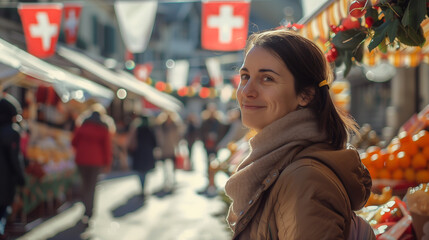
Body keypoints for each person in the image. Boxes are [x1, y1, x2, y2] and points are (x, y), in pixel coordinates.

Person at [224, 29, 374, 239]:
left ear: (306, 95)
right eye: (245, 76)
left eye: (267, 78)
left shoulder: (305, 180)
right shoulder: (279, 163)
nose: (247, 91)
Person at [71, 103, 113, 227]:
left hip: (82, 159)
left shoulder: (82, 125)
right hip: (96, 161)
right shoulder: (104, 127)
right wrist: (107, 163)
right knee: (92, 186)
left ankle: (86, 207)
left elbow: (74, 142)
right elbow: (107, 148)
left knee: (85, 184)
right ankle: (89, 211)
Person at [0, 95, 26, 238]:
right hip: (5, 178)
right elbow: (15, 159)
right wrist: (21, 178)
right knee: (3, 208)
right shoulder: (12, 131)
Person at [127, 114, 157, 199]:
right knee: (145, 173)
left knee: (140, 173)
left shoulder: (137, 129)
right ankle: (144, 188)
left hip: (138, 154)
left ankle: (142, 188)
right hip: (147, 155)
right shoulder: (150, 130)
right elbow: (155, 143)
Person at [155, 111, 182, 193]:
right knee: (164, 166)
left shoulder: (174, 125)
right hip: (164, 148)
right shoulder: (162, 126)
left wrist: (177, 146)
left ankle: (173, 179)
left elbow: (177, 136)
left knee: (173, 165)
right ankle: (166, 179)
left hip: (172, 148)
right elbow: (158, 136)